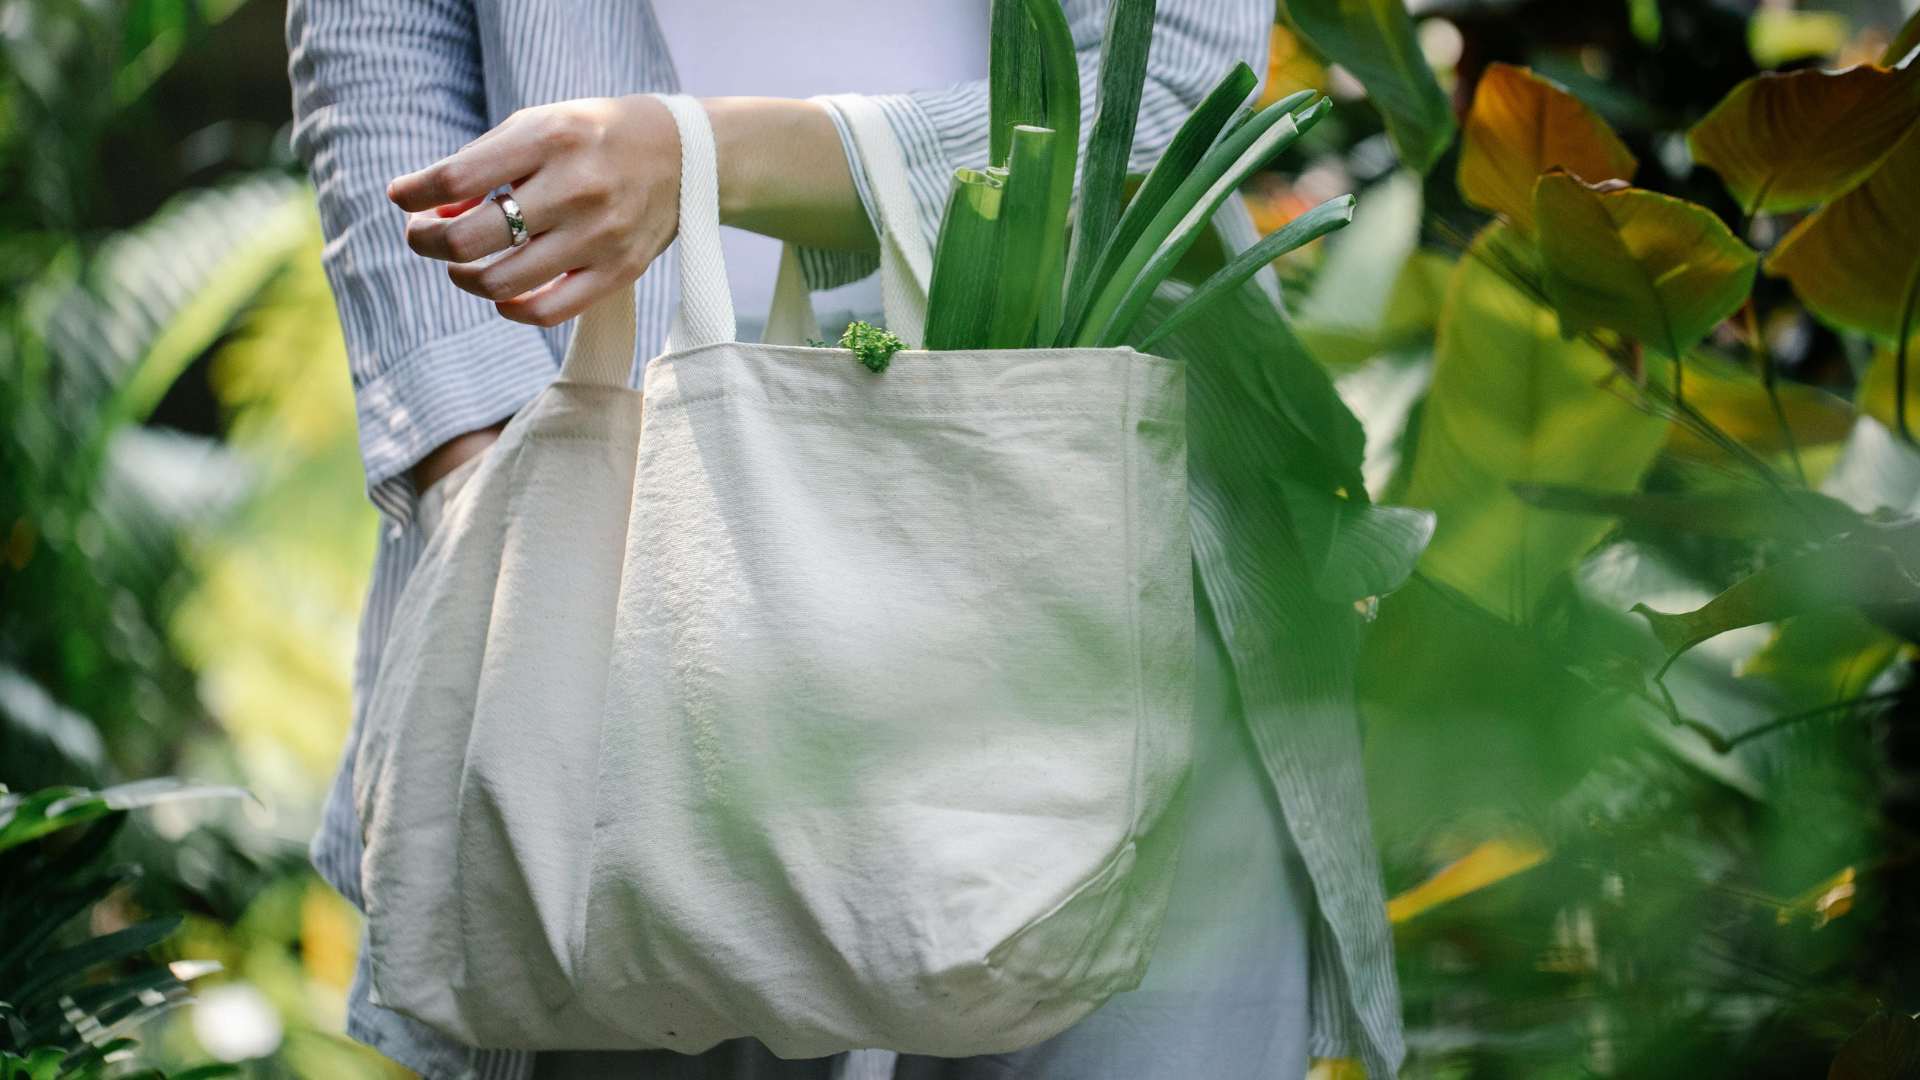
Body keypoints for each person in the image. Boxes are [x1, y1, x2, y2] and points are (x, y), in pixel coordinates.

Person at [286, 2, 1404, 1078]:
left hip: (1088, 494)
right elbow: (376, 44)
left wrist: (701, 157)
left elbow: (1172, 83)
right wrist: (472, 461)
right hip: (610, 519)